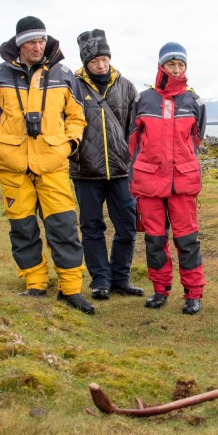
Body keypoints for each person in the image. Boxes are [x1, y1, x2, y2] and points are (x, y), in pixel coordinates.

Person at [0, 16, 93, 313]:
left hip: (52, 164)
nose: (37, 46)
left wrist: (67, 145)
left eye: (41, 40)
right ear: (19, 44)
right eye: (31, 41)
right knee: (23, 229)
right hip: (12, 166)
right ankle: (35, 283)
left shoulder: (64, 74)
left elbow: (77, 117)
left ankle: (71, 288)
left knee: (63, 227)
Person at [129, 43, 206, 314]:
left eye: (181, 65)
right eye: (171, 64)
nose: (176, 69)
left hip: (182, 183)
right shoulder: (144, 100)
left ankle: (193, 293)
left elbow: (195, 140)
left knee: (187, 240)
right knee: (154, 239)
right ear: (161, 66)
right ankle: (160, 289)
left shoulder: (194, 102)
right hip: (149, 182)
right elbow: (133, 141)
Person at [69, 29, 143, 300]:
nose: (101, 65)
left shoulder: (126, 86)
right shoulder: (72, 85)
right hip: (85, 171)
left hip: (121, 171)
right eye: (94, 60)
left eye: (104, 59)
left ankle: (121, 278)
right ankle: (100, 280)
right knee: (91, 227)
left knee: (127, 225)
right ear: (85, 62)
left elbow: (134, 128)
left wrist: (132, 159)